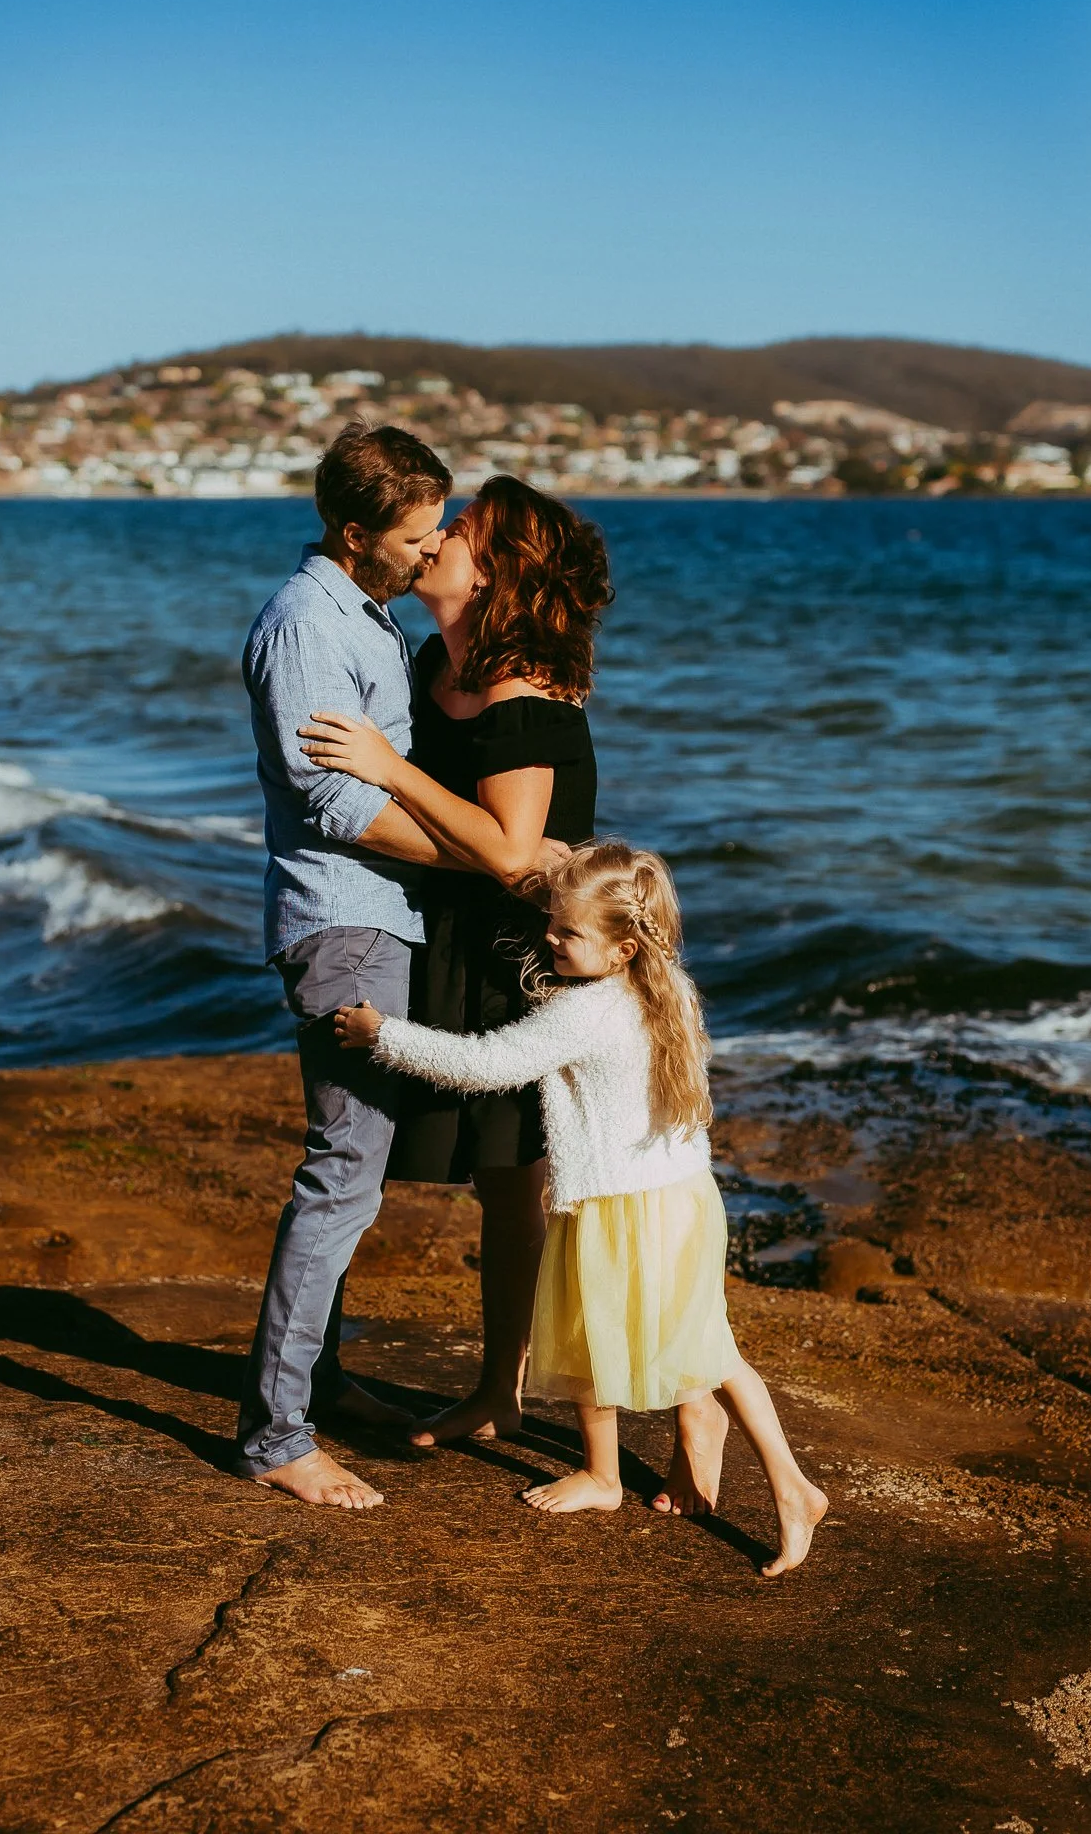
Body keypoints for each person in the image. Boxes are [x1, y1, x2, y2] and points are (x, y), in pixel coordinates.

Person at [334, 841, 829, 1577]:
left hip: (613, 1206)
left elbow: (486, 1064)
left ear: (622, 945)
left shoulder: (588, 1012)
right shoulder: (668, 990)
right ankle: (734, 1480)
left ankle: (755, 1484)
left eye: (565, 932)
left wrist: (384, 1036)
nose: (550, 939)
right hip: (683, 1198)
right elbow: (581, 965)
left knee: (603, 1338)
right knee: (695, 1345)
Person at [299, 477, 611, 1449]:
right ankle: (317, 1369)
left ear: (499, 571)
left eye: (461, 530)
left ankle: (497, 1390)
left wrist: (389, 771)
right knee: (358, 1152)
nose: (436, 538)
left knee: (510, 1173)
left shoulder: (522, 692)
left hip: (513, 954)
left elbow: (517, 852)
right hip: (437, 925)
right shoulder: (435, 655)